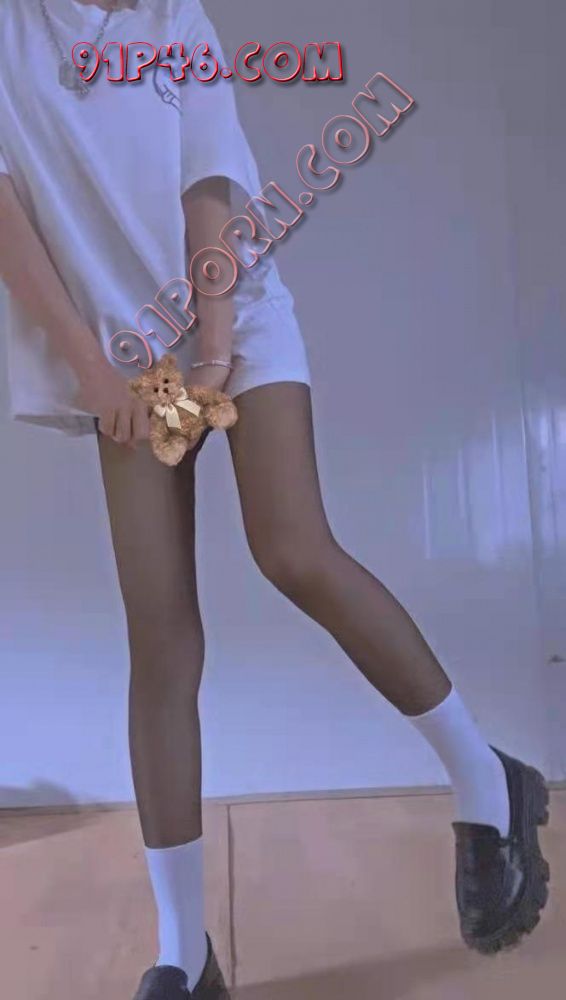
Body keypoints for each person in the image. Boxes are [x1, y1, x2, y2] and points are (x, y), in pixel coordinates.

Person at [0, 1, 551, 997]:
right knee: (160, 634)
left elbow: (209, 182)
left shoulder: (177, 19)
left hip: (232, 312)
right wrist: (89, 368)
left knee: (292, 547)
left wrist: (212, 351)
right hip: (122, 353)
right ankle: (184, 954)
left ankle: (486, 779)